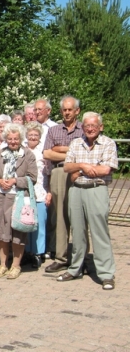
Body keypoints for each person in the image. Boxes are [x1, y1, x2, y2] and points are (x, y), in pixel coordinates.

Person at [57, 112, 118, 290]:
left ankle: (106, 273)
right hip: (76, 191)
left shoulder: (108, 143)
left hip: (96, 189)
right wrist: (84, 166)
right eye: (87, 126)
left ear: (101, 127)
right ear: (82, 127)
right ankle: (75, 268)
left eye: (94, 125)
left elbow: (106, 169)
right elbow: (68, 167)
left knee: (100, 232)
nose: (90, 129)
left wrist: (80, 170)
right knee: (77, 232)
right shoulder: (76, 143)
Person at [0, 123, 37, 279]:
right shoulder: (0, 154)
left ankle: (15, 265)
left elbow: (32, 178)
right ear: (5, 139)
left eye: (16, 138)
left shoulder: (28, 155)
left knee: (17, 233)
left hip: (18, 198)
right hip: (0, 197)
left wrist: (15, 181)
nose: (13, 141)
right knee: (1, 233)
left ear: (21, 138)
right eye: (10, 138)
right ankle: (2, 264)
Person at [43, 96, 83, 273]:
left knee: (80, 216)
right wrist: (74, 151)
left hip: (80, 172)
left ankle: (81, 258)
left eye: (70, 109)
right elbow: (47, 154)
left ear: (77, 111)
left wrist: (63, 149)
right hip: (59, 173)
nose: (67, 112)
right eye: (64, 110)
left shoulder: (85, 129)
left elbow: (87, 151)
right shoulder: (54, 130)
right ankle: (61, 257)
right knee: (59, 215)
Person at [24, 122, 51, 269]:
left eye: (36, 135)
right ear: (26, 136)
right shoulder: (22, 150)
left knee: (40, 223)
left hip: (41, 191)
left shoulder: (44, 151)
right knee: (26, 222)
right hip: (25, 193)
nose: (33, 137)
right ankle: (27, 252)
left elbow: (49, 173)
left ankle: (38, 253)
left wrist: (49, 192)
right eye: (30, 135)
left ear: (40, 136)